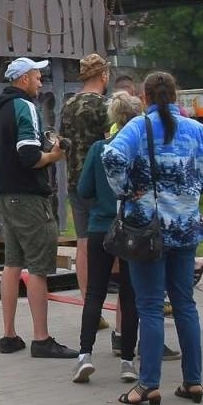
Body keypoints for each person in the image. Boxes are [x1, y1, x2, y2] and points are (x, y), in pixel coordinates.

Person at [102, 72, 203, 405]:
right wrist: (198, 185)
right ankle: (193, 381)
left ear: (146, 98)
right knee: (185, 305)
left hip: (147, 231)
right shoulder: (194, 129)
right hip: (186, 228)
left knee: (149, 305)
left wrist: (125, 191)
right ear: (176, 96)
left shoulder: (138, 127)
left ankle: (149, 383)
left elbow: (111, 157)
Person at [0, 57, 74, 359]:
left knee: (12, 265)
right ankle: (42, 338)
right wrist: (54, 156)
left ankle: (9, 335)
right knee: (38, 267)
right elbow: (28, 155)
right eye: (38, 76)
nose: (41, 82)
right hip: (29, 196)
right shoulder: (25, 107)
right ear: (23, 79)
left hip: (6, 195)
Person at [71, 90, 144, 385]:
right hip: (133, 228)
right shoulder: (140, 150)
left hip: (101, 226)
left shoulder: (99, 148)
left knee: (95, 294)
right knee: (130, 295)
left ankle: (84, 356)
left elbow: (84, 188)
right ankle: (128, 361)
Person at [61, 53, 111, 307]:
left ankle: (89, 304)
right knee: (112, 239)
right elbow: (111, 143)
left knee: (82, 243)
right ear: (104, 75)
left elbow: (61, 144)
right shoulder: (104, 106)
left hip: (74, 182)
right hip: (100, 185)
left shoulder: (68, 105)